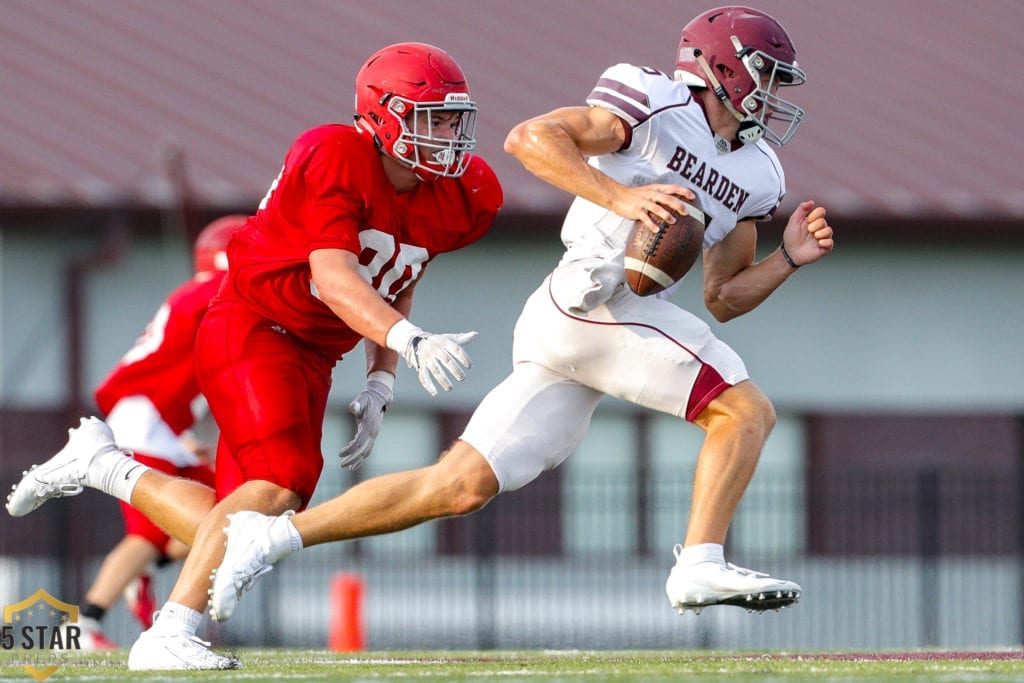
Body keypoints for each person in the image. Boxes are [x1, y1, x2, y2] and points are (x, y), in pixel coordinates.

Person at [204, 5, 834, 626]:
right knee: (746, 409)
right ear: (722, 66)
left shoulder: (758, 171)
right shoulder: (655, 103)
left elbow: (723, 297)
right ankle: (699, 561)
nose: (775, 91)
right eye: (768, 73)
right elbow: (531, 138)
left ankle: (267, 540)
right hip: (591, 298)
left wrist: (789, 260)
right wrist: (624, 197)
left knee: (458, 485)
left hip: (612, 324)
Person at [6, 41, 502, 670]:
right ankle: (169, 633)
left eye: (455, 118)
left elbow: (401, 273)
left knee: (238, 528)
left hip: (313, 353)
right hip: (255, 326)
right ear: (382, 116)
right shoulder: (337, 152)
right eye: (433, 117)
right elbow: (335, 274)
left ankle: (105, 466)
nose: (450, 134)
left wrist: (382, 377)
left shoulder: (462, 194)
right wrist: (408, 340)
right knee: (279, 484)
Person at [74, 215, 243, 650]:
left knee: (234, 513)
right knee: (148, 534)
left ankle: (144, 569)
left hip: (159, 421)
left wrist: (182, 439)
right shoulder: (217, 290)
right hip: (141, 417)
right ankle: (81, 626)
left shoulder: (202, 292)